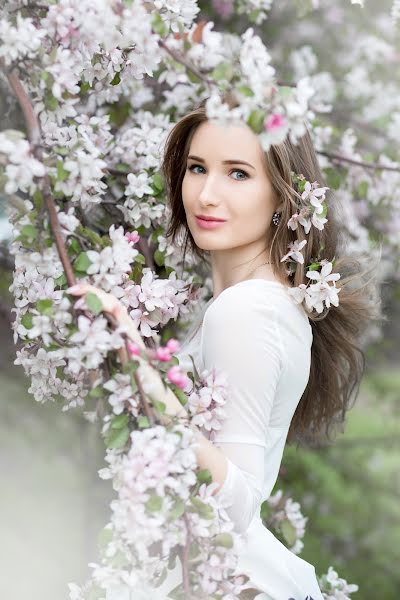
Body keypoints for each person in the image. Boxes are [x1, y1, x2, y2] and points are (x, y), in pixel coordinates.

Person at [68, 97, 381, 599]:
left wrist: (142, 370)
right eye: (197, 168)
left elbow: (236, 505)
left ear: (283, 196)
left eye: (237, 174)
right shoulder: (258, 305)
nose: (206, 194)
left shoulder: (248, 312)